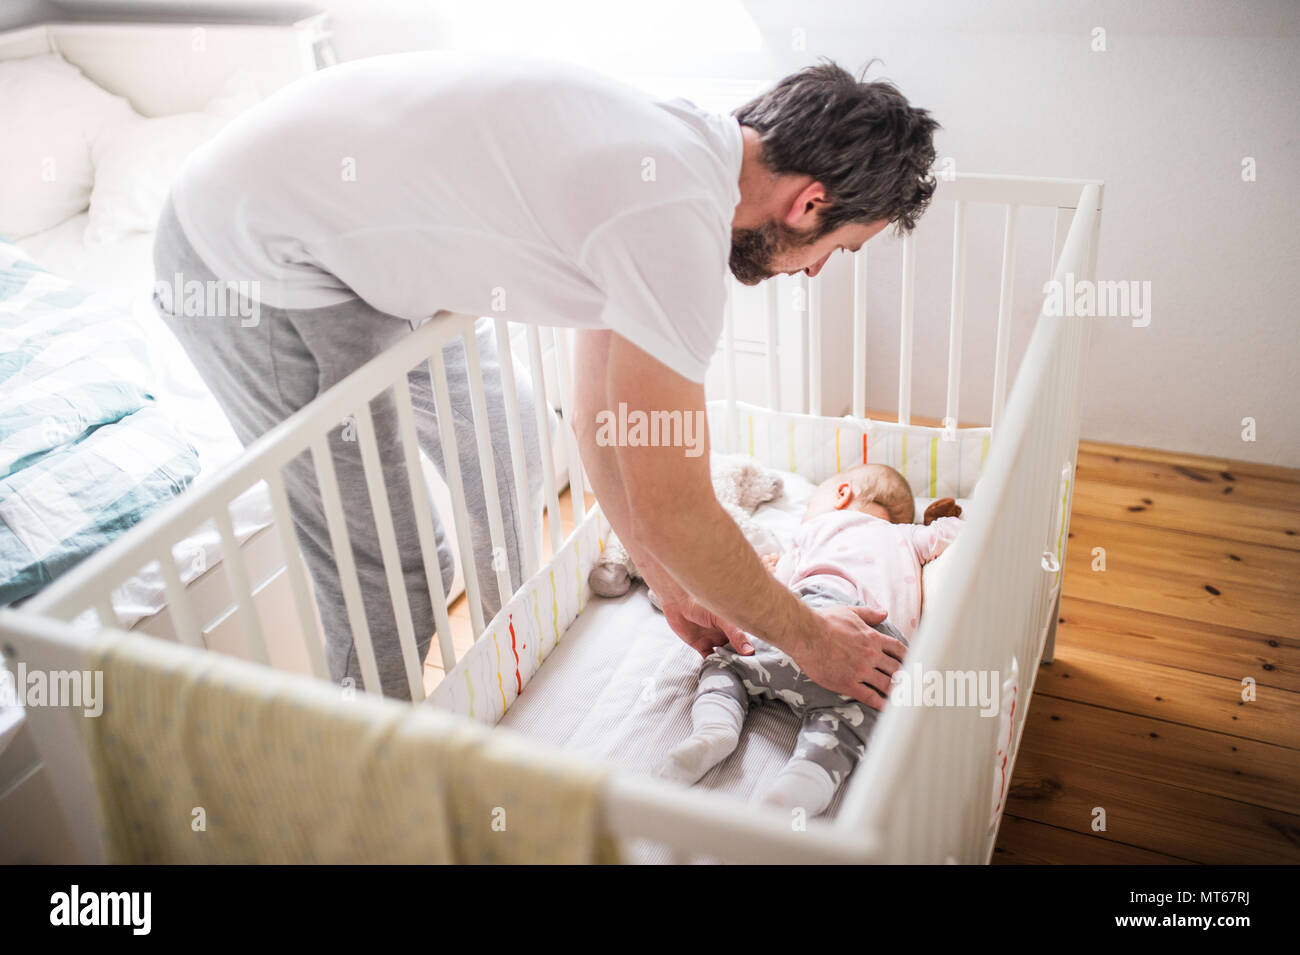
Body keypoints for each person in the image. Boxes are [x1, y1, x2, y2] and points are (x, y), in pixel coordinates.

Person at [153, 50, 940, 700]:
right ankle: (373, 786)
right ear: (808, 204)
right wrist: (813, 643)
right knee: (395, 571)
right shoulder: (672, 221)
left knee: (515, 445)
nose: (813, 272)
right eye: (838, 249)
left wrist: (671, 584)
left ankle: (502, 679)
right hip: (250, 252)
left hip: (357, 248)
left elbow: (603, 418)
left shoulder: (684, 153)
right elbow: (677, 508)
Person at [655, 465, 963, 816]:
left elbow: (775, 602)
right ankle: (799, 788)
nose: (805, 513)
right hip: (872, 648)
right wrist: (937, 519)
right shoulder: (908, 537)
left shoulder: (814, 529)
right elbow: (958, 533)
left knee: (728, 661)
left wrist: (770, 573)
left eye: (810, 503)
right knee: (855, 723)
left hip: (805, 616)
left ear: (841, 494)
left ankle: (716, 728)